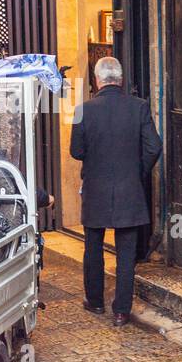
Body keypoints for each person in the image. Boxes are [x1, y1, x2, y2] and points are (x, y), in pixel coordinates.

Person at [68, 57, 162, 327]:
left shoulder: (83, 109)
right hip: (129, 188)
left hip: (96, 187)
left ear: (97, 80)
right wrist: (137, 172)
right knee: (126, 252)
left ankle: (95, 301)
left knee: (93, 246)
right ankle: (122, 311)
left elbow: (77, 151)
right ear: (120, 80)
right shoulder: (139, 107)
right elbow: (154, 146)